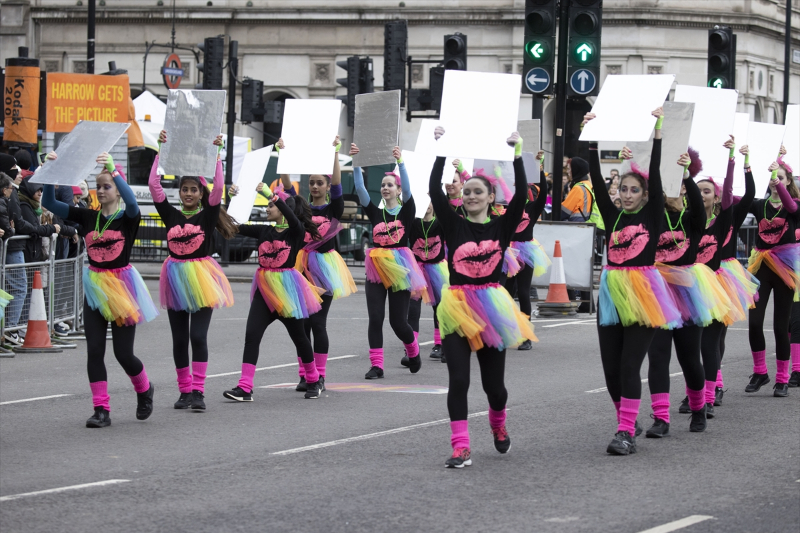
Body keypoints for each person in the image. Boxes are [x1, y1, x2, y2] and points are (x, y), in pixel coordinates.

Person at [429, 127, 536, 468]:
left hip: (492, 307)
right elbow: (434, 189)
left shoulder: (501, 227)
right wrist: (442, 149)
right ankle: (461, 447)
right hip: (457, 305)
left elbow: (521, 198)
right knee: (458, 379)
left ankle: (498, 423)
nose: (471, 196)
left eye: (479, 192)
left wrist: (517, 155)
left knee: (495, 388)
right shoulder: (453, 223)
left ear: (491, 198)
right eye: (467, 191)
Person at [585, 108, 684, 455]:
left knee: (630, 364)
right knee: (611, 368)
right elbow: (596, 182)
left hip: (643, 293)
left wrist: (657, 133)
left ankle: (624, 432)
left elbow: (655, 178)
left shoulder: (652, 213)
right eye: (623, 189)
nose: (627, 194)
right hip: (612, 293)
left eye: (633, 190)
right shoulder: (611, 216)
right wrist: (591, 139)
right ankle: (628, 418)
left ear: (643, 195)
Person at [43, 151, 158, 428]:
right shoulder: (86, 217)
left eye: (107, 186)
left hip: (121, 287)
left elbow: (133, 202)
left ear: (117, 191)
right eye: (99, 186)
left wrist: (113, 170)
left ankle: (144, 390)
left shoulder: (128, 218)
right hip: (95, 287)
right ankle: (101, 410)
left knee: (123, 353)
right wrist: (51, 172)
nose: (101, 190)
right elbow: (49, 202)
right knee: (94, 350)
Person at [644, 144, 731, 438]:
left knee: (689, 358)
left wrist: (687, 175)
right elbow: (651, 191)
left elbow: (696, 201)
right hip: (657, 292)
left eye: (678, 185)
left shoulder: (694, 221)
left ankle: (698, 407)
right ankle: (660, 418)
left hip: (688, 294)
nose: (673, 190)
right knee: (657, 357)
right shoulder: (654, 217)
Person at [150, 130, 235, 411]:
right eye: (184, 189)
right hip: (174, 278)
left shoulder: (207, 215)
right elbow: (154, 185)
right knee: (178, 340)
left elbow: (220, 190)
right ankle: (184, 391)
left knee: (197, 336)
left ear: (201, 194)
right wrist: (160, 149)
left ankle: (198, 391)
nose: (188, 193)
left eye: (193, 190)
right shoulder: (171, 215)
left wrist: (218, 157)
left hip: (202, 278)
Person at [223, 182, 325, 401]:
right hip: (264, 291)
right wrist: (229, 199)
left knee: (300, 338)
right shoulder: (263, 230)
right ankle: (245, 387)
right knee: (252, 335)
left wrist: (271, 193)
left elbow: (294, 218)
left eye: (271, 205)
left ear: (283, 209)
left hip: (288, 291)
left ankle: (314, 379)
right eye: (268, 205)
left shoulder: (295, 232)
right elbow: (233, 225)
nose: (267, 208)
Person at [276, 136, 357, 391]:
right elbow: (288, 188)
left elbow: (336, 183)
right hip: (301, 269)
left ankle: (319, 375)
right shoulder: (301, 208)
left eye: (318, 182)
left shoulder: (334, 208)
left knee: (317, 323)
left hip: (325, 269)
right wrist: (282, 154)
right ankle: (305, 373)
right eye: (311, 182)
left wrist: (335, 152)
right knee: (302, 324)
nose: (314, 186)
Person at [350, 143, 428, 379]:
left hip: (401, 268)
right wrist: (356, 163)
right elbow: (360, 187)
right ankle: (377, 365)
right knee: (375, 317)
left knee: (397, 322)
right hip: (376, 268)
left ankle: (413, 350)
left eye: (389, 185)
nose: (385, 188)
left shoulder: (406, 211)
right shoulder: (375, 212)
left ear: (398, 190)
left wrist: (401, 162)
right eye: (383, 185)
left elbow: (409, 190)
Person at [745, 154, 800, 397]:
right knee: (755, 322)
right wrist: (745, 165)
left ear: (788, 181)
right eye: (772, 178)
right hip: (761, 267)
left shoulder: (795, 206)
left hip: (785, 267)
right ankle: (760, 372)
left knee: (780, 326)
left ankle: (782, 378)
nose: (774, 181)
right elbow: (743, 197)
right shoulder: (760, 206)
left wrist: (778, 173)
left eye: (780, 178)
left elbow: (791, 206)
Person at [712, 144, 758, 402]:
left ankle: (715, 385)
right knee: (695, 337)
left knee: (717, 334)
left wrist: (743, 162)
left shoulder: (733, 216)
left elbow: (748, 192)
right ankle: (699, 389)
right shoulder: (695, 216)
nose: (710, 196)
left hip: (726, 276)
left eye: (714, 192)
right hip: (700, 276)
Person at [502, 150, 549, 350]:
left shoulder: (533, 208)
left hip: (526, 252)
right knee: (505, 292)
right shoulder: (509, 208)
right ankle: (508, 330)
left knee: (522, 292)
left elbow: (545, 194)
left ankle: (526, 335)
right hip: (509, 253)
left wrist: (541, 169)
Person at [405, 198, 449, 363]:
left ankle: (443, 345)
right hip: (417, 270)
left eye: (429, 201)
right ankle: (411, 350)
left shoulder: (440, 224)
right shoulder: (413, 223)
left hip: (437, 269)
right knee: (413, 310)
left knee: (440, 309)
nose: (426, 205)